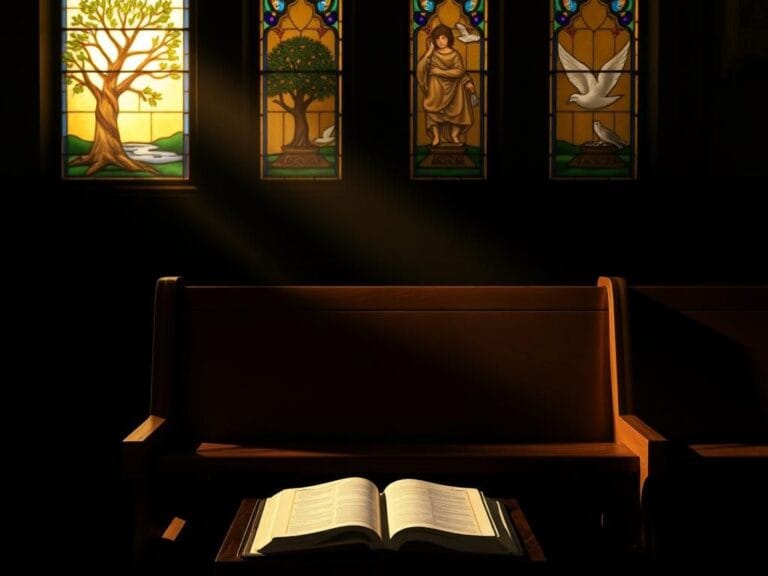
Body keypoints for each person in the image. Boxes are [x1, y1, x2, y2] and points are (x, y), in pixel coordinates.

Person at [416, 24, 475, 146]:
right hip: (436, 89)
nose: (440, 41)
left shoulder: (454, 55)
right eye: (437, 39)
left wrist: (467, 81)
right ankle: (436, 137)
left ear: (449, 38)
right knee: (433, 112)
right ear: (433, 41)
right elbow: (421, 70)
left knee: (458, 111)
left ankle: (454, 135)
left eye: (443, 38)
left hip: (455, 89)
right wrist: (429, 52)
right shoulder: (431, 55)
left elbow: (459, 71)